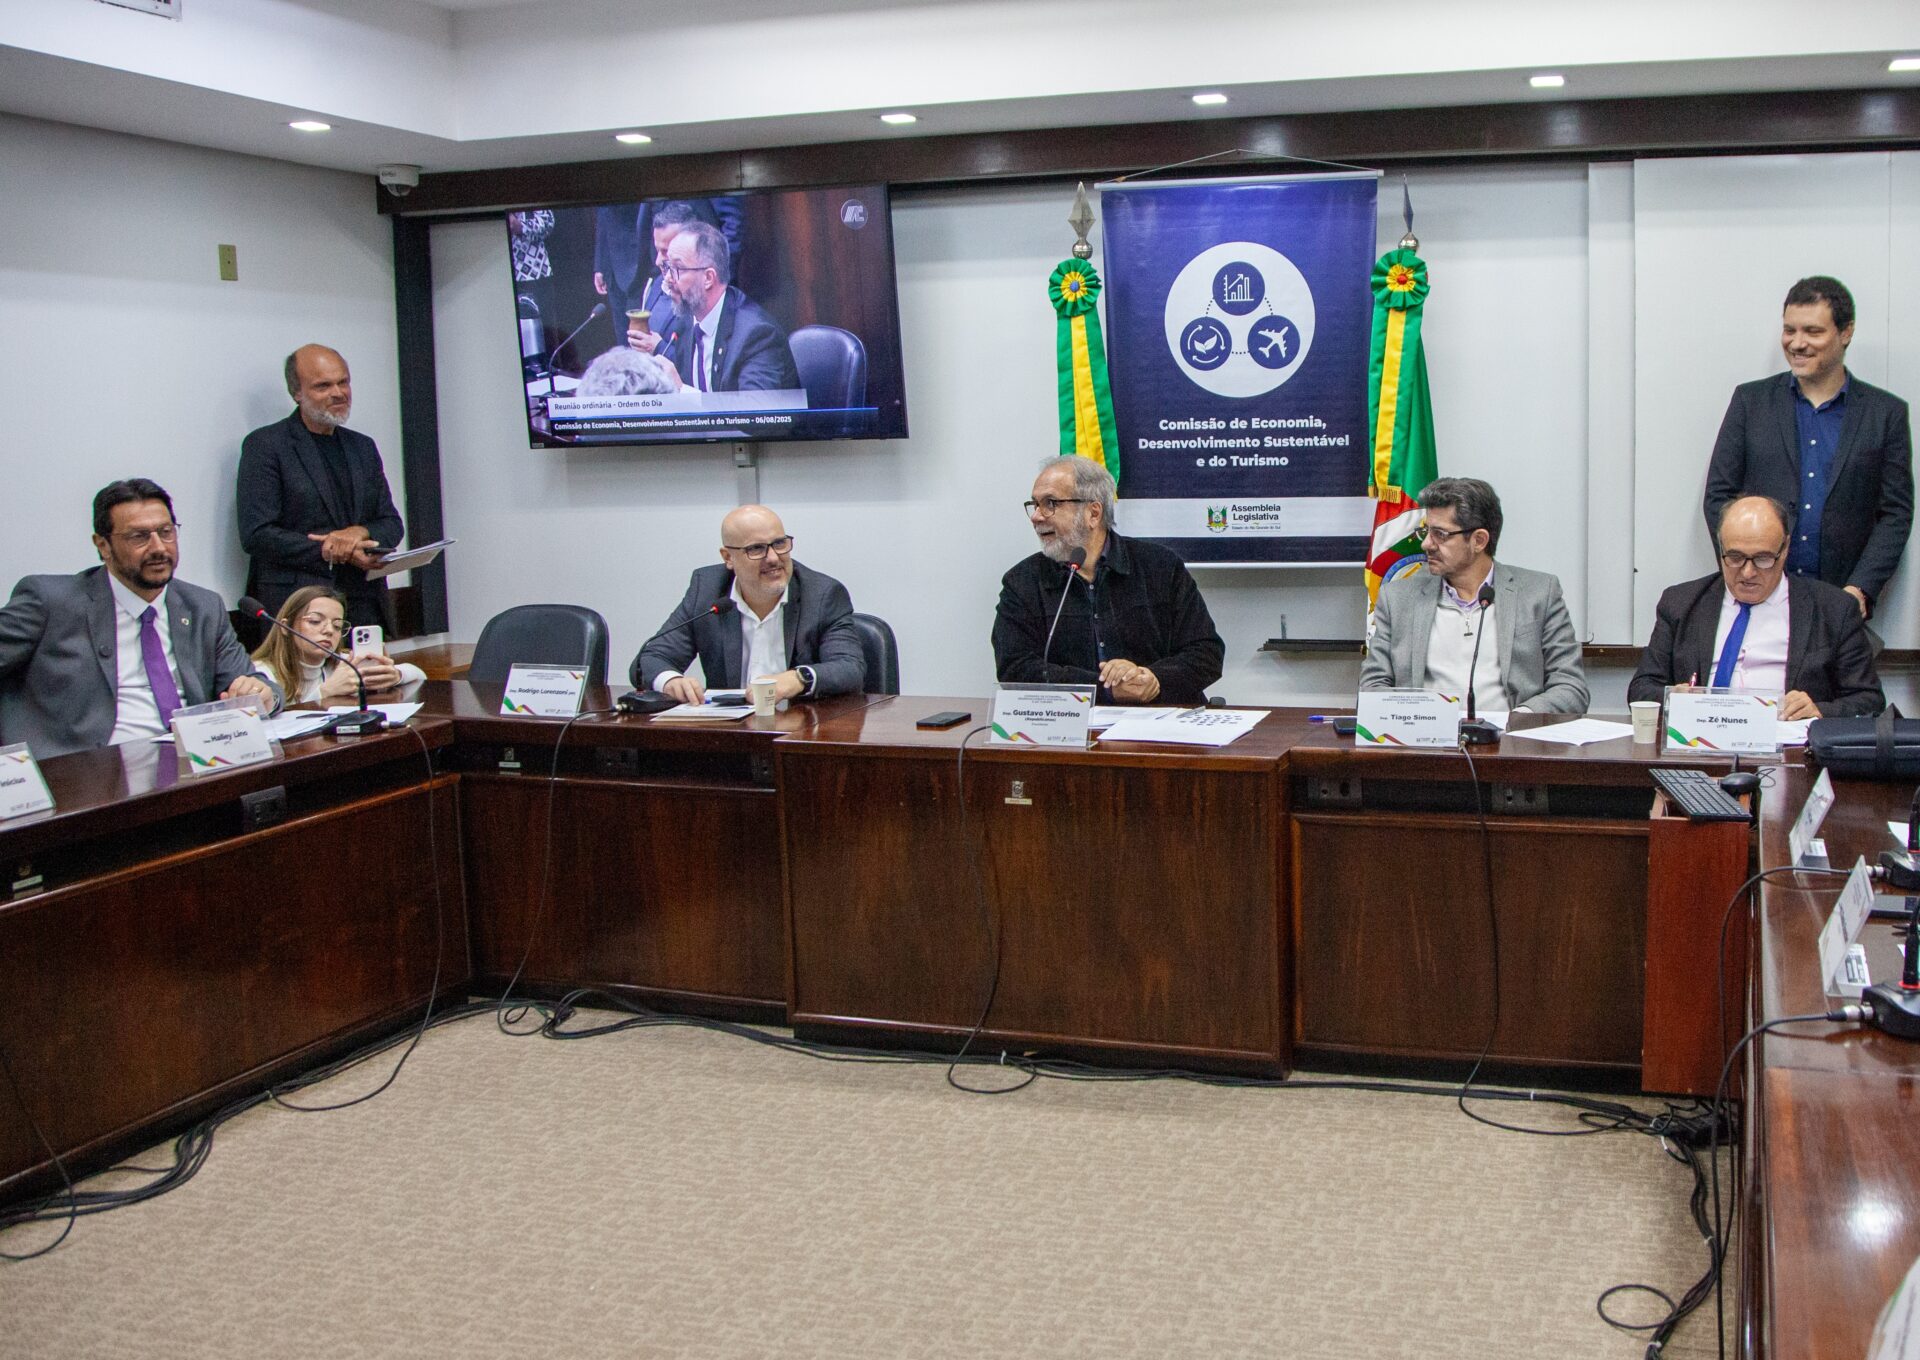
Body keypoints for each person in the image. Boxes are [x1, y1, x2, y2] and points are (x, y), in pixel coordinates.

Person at [0, 479, 279, 759]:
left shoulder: (203, 606)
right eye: (139, 536)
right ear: (103, 546)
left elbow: (252, 682)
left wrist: (265, 694)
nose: (158, 548)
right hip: (84, 768)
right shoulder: (50, 601)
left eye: (166, 532)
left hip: (193, 761)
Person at [1702, 275, 1913, 619]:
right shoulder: (1750, 402)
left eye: (1813, 332)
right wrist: (1745, 572)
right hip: (1758, 604)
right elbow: (1719, 498)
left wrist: (1860, 589)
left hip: (1840, 605)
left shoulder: (1885, 414)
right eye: (1790, 330)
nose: (1797, 343)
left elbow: (1895, 514)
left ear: (1846, 333)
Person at [992, 456, 1223, 705]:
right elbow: (1015, 668)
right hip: (1074, 723)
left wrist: (1153, 679)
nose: (1036, 516)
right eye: (1035, 504)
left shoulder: (1161, 567)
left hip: (1161, 717)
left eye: (1050, 504)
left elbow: (1206, 653)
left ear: (1093, 513)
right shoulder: (1022, 582)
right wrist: (1105, 689)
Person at [1631, 495, 1884, 719]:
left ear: (1785, 549)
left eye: (1763, 559)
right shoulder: (1681, 603)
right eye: (1735, 557)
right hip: (1700, 743)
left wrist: (1818, 710)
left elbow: (1869, 701)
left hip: (1789, 747)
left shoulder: (1834, 609)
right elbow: (1641, 689)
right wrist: (1672, 697)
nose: (1748, 572)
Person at [1360, 477, 1589, 714]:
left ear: (1479, 540)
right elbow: (1372, 687)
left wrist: (1521, 718)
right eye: (1426, 532)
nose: (1426, 544)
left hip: (1512, 734)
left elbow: (1571, 687)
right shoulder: (1397, 599)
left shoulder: (1539, 594)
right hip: (1425, 735)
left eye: (1440, 534)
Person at [237, 344, 407, 631]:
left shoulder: (362, 447)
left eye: (343, 382)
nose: (338, 393)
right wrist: (331, 549)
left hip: (363, 604)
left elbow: (391, 523)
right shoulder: (266, 446)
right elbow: (257, 534)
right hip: (299, 606)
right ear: (297, 393)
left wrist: (359, 533)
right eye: (323, 386)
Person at [632, 504, 864, 703]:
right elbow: (651, 659)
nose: (773, 558)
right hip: (731, 731)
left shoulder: (822, 594)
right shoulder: (707, 590)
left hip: (799, 728)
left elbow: (850, 667)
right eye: (756, 549)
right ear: (728, 558)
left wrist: (797, 678)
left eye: (779, 544)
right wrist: (670, 681)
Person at [653, 222, 801, 393]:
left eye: (678, 268)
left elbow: (755, 409)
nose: (667, 278)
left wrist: (681, 391)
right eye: (667, 267)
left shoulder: (757, 335)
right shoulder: (686, 322)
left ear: (708, 278)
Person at [250, 586, 423, 705]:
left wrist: (396, 675)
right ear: (285, 627)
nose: (328, 631)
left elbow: (418, 673)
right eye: (315, 621)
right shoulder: (261, 673)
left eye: (337, 626)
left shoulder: (344, 664)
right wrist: (324, 693)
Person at [624, 200, 706, 358]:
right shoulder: (656, 285)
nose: (658, 261)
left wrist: (659, 348)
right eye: (657, 251)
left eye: (666, 252)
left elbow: (703, 363)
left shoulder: (703, 299)